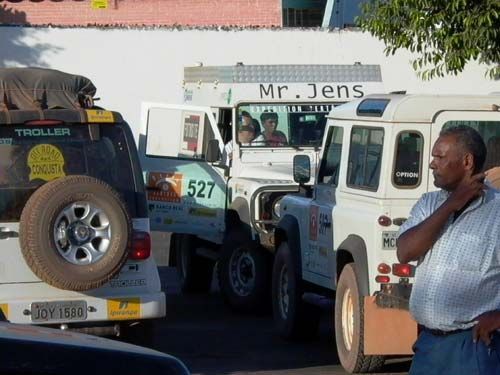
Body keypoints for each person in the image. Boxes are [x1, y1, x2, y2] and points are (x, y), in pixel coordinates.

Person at [397, 125, 500, 375]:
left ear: (467, 161)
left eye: (439, 157)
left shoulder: (496, 212)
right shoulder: (429, 203)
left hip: (474, 346)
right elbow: (405, 251)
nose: (432, 164)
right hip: (429, 345)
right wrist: (451, 204)